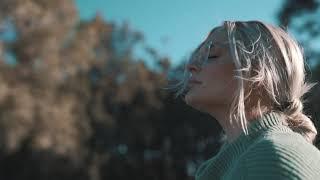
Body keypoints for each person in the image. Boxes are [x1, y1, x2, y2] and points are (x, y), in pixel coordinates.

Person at [169, 21, 320, 179]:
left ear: (259, 71)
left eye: (211, 56)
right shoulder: (233, 163)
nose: (190, 66)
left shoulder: (269, 159)